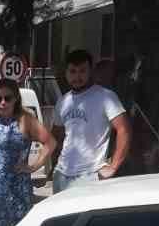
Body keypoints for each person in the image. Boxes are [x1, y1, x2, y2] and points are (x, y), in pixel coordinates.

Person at [0, 80, 55, 226]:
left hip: (17, 190)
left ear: (16, 99)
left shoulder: (26, 120)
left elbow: (50, 143)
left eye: (7, 98)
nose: (3, 102)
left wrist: (33, 166)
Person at [52, 49, 132, 189]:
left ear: (91, 71)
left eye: (82, 71)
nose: (77, 76)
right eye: (73, 71)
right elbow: (57, 135)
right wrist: (54, 164)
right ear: (66, 73)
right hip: (61, 173)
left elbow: (124, 129)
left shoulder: (105, 97)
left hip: (90, 175)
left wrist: (113, 167)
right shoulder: (63, 101)